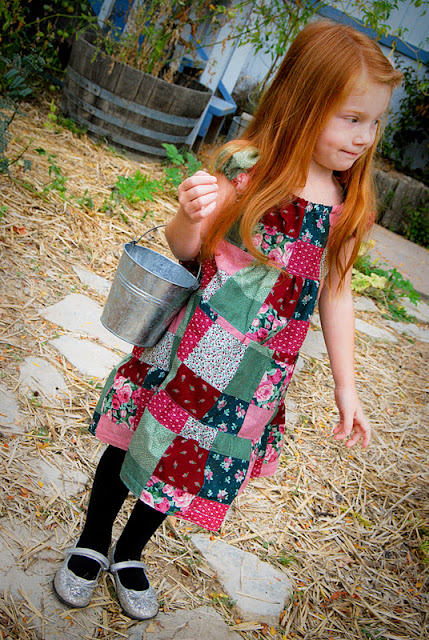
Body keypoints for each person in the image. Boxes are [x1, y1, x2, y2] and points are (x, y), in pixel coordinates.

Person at [53, 20, 402, 620]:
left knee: (186, 462)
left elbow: (336, 291)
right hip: (191, 349)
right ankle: (91, 540)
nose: (364, 137)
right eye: (352, 118)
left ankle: (130, 553)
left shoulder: (347, 204)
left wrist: (347, 387)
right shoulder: (249, 170)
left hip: (254, 377)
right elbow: (188, 248)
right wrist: (190, 215)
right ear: (303, 104)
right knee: (140, 437)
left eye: (375, 122)